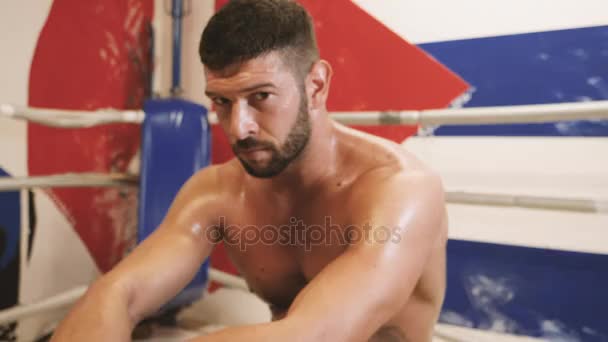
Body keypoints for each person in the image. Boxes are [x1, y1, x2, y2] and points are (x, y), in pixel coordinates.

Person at [51, 0, 447, 341]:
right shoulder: (217, 194)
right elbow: (118, 292)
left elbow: (312, 335)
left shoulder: (400, 192)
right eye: (222, 102)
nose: (239, 128)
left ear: (316, 86)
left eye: (261, 97)